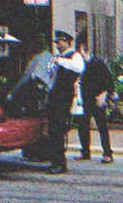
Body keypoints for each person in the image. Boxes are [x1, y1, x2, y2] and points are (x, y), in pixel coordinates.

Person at [46, 30, 85, 174]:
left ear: (68, 42)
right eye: (57, 42)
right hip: (55, 95)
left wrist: (60, 61)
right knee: (53, 131)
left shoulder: (74, 56)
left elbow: (79, 68)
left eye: (60, 42)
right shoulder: (58, 57)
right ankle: (54, 161)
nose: (58, 44)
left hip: (65, 96)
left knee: (59, 129)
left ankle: (60, 164)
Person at [75, 41, 115, 164]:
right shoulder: (80, 66)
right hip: (84, 101)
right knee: (83, 126)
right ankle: (85, 152)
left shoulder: (97, 63)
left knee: (102, 126)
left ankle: (107, 153)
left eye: (81, 52)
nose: (79, 55)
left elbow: (109, 80)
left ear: (86, 51)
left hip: (96, 99)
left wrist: (104, 94)